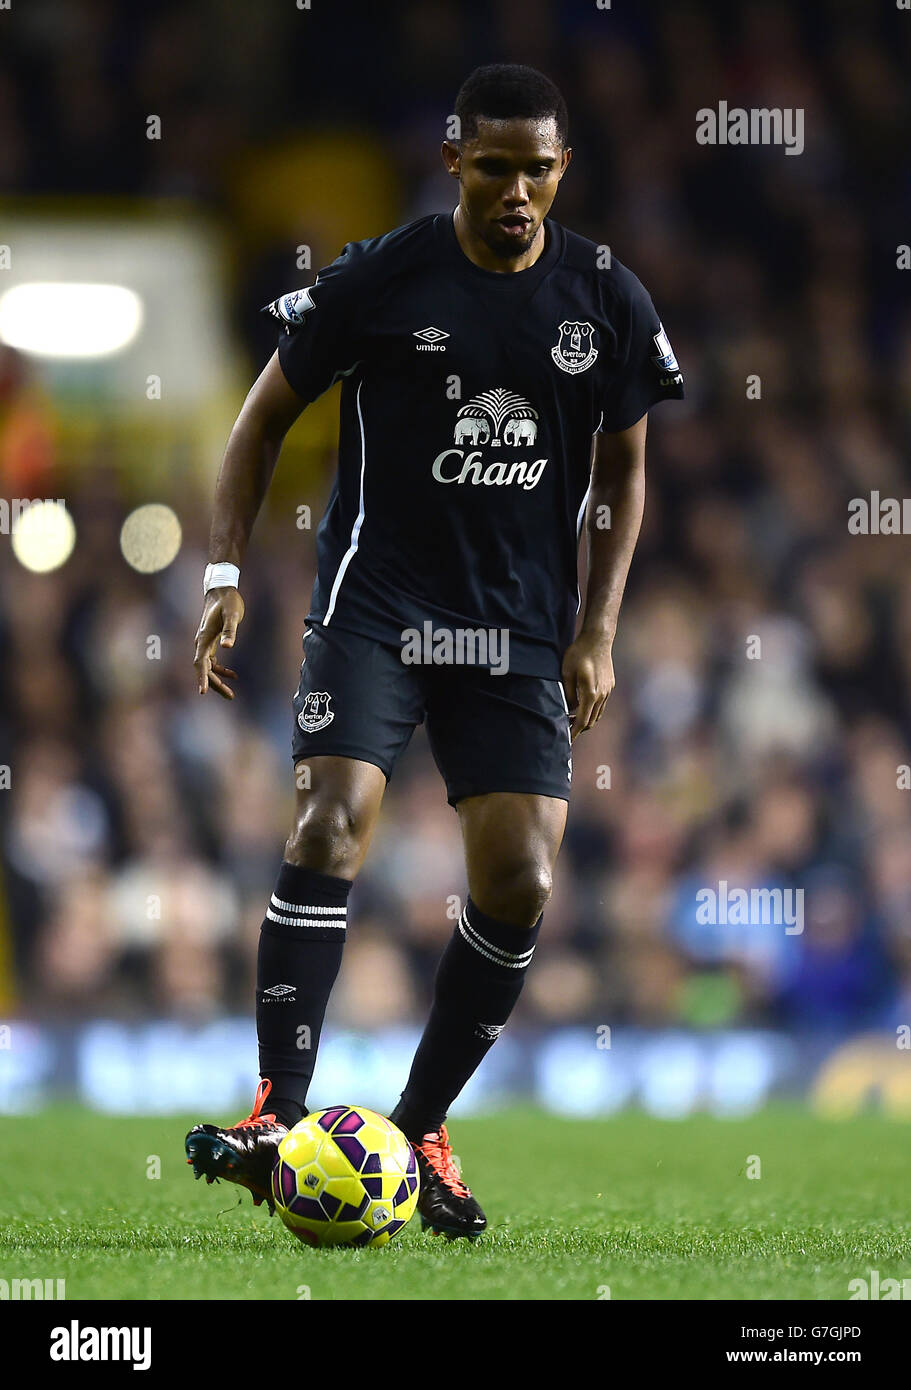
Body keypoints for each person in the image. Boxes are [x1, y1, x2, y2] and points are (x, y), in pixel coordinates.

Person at [185, 63, 684, 1240]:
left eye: (539, 169)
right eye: (495, 167)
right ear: (455, 160)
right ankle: (276, 1109)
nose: (518, 191)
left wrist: (595, 629)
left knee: (521, 881)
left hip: (513, 632)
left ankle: (414, 1131)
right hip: (377, 608)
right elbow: (260, 422)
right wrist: (223, 576)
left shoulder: (604, 298)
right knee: (327, 821)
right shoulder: (379, 277)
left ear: (563, 168)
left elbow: (622, 472)